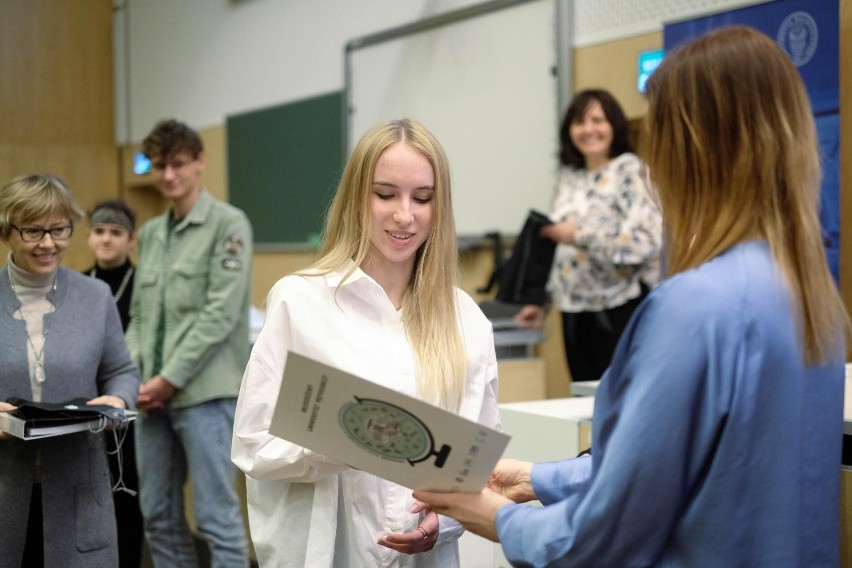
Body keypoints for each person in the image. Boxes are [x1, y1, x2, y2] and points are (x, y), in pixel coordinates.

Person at [415, 26, 848, 566]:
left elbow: (607, 534)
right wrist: (535, 478)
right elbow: (679, 466)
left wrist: (495, 516)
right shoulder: (811, 297)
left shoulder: (692, 309)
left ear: (688, 153)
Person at [231, 118, 501, 567]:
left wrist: (446, 520)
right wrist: (343, 441)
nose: (404, 215)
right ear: (358, 196)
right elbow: (252, 444)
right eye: (385, 194)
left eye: (422, 198)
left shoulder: (466, 320)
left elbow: (479, 464)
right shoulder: (299, 302)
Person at [125, 119, 253, 567]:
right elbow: (140, 314)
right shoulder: (154, 234)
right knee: (157, 516)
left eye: (178, 164)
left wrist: (168, 379)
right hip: (150, 399)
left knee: (217, 521)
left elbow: (220, 315)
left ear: (200, 162)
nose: (168, 176)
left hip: (205, 396)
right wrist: (136, 376)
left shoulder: (228, 224)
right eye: (159, 166)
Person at [0, 174, 140, 567]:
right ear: (6, 230)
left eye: (59, 230)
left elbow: (123, 371)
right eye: (33, 231)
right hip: (7, 486)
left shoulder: (95, 296)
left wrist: (117, 398)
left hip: (79, 483)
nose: (48, 243)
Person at [514, 88, 662, 383]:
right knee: (583, 404)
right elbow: (560, 251)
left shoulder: (631, 172)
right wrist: (542, 301)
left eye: (598, 120)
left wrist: (581, 235)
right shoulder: (569, 178)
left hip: (619, 308)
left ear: (614, 126)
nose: (589, 129)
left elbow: (648, 242)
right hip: (574, 312)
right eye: (580, 122)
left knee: (620, 401)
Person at [83, 198, 144, 568]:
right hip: (87, 406)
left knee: (128, 492)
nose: (107, 239)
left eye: (116, 232)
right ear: (89, 236)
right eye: (100, 231)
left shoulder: (142, 284)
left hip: (130, 405)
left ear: (131, 239)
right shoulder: (77, 284)